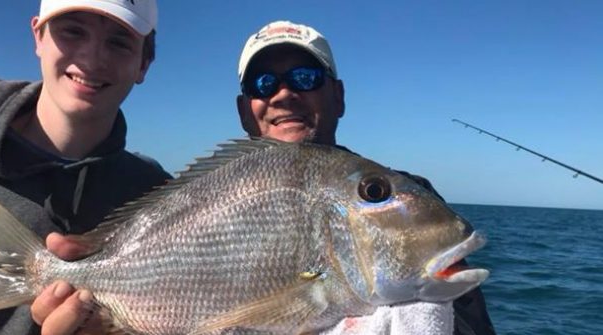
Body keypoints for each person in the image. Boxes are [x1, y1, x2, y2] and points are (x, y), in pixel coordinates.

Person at [31, 21, 497, 335]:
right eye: (262, 84)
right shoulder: (205, 194)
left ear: (337, 96)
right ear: (245, 110)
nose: (283, 94)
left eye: (305, 76)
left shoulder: (410, 194)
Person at [0, 0, 171, 334]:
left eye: (119, 41)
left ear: (144, 63)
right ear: (38, 36)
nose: (91, 58)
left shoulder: (158, 192)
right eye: (72, 31)